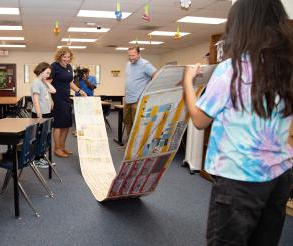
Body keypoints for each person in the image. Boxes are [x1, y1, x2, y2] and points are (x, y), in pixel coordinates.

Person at [182, 0, 293, 245]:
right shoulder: (287, 68)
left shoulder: (231, 69)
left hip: (239, 179)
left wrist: (188, 82)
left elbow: (199, 120)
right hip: (279, 175)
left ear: (239, 25)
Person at [51, 47, 87, 158]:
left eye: (68, 57)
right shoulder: (54, 67)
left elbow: (70, 82)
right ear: (59, 56)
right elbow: (47, 83)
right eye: (64, 56)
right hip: (56, 98)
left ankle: (62, 147)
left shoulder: (69, 67)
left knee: (66, 124)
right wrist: (50, 99)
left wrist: (80, 91)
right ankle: (57, 148)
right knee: (58, 124)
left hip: (66, 98)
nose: (67, 59)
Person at [124, 46, 157, 139]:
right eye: (129, 55)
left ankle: (136, 147)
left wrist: (147, 92)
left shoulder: (145, 64)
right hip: (128, 99)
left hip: (138, 100)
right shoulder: (128, 64)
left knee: (137, 125)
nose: (131, 58)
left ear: (139, 54)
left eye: (133, 55)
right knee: (127, 122)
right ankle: (129, 144)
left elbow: (156, 76)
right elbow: (129, 81)